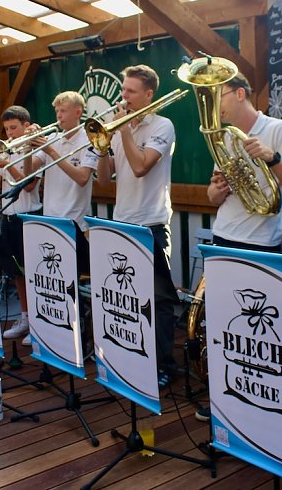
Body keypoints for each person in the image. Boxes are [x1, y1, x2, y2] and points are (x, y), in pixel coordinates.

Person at [196, 71, 282, 422]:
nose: (216, 106)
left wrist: (272, 159)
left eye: (220, 96)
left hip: (262, 244)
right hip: (224, 238)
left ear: (240, 93)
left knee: (257, 333)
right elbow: (212, 197)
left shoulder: (277, 129)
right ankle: (222, 397)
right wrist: (220, 188)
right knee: (221, 327)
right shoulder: (222, 136)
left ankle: (257, 402)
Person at [96, 64, 181, 388]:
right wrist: (103, 147)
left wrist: (124, 133)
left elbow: (142, 166)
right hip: (122, 223)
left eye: (130, 91)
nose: (124, 97)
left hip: (151, 224)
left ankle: (162, 365)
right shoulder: (120, 130)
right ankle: (132, 355)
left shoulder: (163, 125)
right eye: (123, 90)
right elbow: (104, 179)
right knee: (127, 296)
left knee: (158, 300)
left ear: (148, 94)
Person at [0, 106, 42, 345]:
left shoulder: (35, 149)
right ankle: (25, 318)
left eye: (14, 128)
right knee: (17, 273)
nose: (9, 134)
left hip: (29, 215)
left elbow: (28, 186)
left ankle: (39, 324)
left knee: (32, 273)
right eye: (6, 129)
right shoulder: (6, 151)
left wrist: (5, 163)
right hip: (8, 216)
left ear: (26, 126)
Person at [24, 90, 98, 273]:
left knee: (77, 277)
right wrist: (27, 147)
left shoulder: (89, 139)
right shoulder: (52, 139)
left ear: (78, 112)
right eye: (57, 111)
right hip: (51, 221)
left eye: (63, 111)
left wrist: (51, 152)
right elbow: (28, 172)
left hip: (76, 224)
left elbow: (82, 178)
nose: (58, 116)